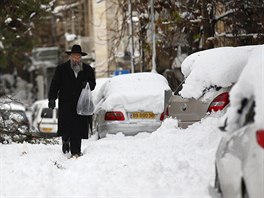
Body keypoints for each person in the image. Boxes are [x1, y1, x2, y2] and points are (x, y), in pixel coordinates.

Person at [48, 44, 96, 157]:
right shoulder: (61, 69)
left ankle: (76, 151)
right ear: (70, 57)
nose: (76, 59)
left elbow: (93, 84)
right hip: (66, 103)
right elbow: (55, 85)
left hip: (80, 104)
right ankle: (65, 141)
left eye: (78, 57)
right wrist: (52, 98)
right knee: (66, 127)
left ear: (81, 57)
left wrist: (88, 84)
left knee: (77, 129)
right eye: (74, 57)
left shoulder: (88, 70)